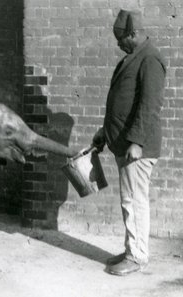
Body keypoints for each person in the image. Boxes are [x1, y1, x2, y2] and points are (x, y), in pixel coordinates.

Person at [92, 9, 166, 276]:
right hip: (124, 144)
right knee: (129, 199)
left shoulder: (150, 59)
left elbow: (149, 106)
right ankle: (130, 249)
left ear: (134, 33)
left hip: (138, 148)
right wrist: (105, 131)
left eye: (121, 38)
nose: (118, 44)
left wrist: (136, 141)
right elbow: (121, 103)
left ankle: (137, 256)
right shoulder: (133, 57)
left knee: (134, 201)